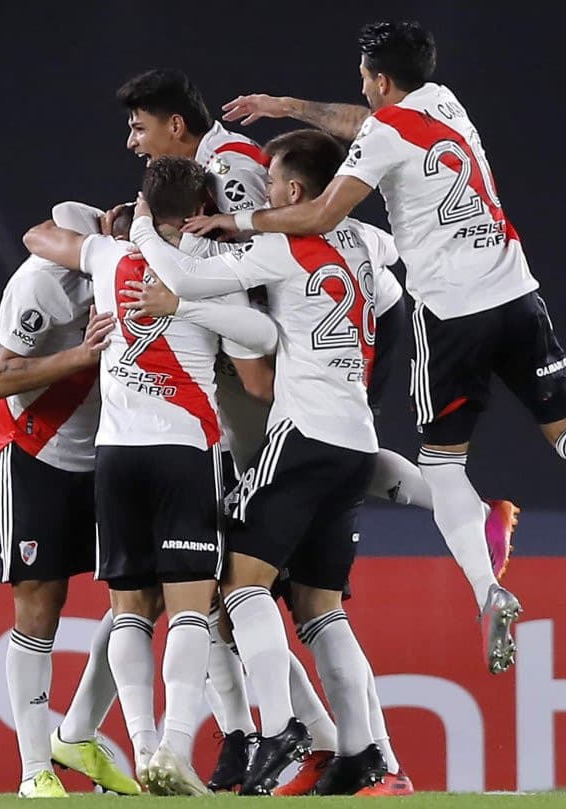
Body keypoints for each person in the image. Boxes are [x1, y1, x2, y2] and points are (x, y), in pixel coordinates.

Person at [189, 20, 566, 676]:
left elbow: (322, 213)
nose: (363, 89)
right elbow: (363, 123)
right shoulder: (443, 102)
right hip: (517, 290)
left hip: (451, 312)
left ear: (382, 79)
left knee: (443, 465)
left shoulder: (383, 134)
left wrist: (237, 219)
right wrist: (289, 107)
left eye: (366, 78)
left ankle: (487, 589)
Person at [127, 129, 398, 795]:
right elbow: (392, 287)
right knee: (320, 606)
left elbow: (184, 278)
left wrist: (143, 228)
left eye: (272, 184)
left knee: (240, 585)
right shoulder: (367, 243)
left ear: (297, 191)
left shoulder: (281, 247)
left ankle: (278, 727)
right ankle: (362, 753)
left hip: (301, 434)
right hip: (356, 439)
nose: (262, 196)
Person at [22, 156, 277, 796]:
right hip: (183, 451)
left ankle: (139, 745)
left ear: (143, 203)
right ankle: (174, 747)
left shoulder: (107, 258)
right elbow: (259, 351)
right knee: (191, 607)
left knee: (129, 610)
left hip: (116, 455)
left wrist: (122, 229)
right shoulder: (212, 271)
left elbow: (39, 237)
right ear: (201, 210)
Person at [0, 234, 138, 797]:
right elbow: (1, 377)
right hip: (36, 451)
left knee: (143, 594)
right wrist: (81, 354)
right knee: (40, 604)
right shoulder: (43, 282)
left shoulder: (157, 274)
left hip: (111, 449)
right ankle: (34, 772)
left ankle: (75, 733)